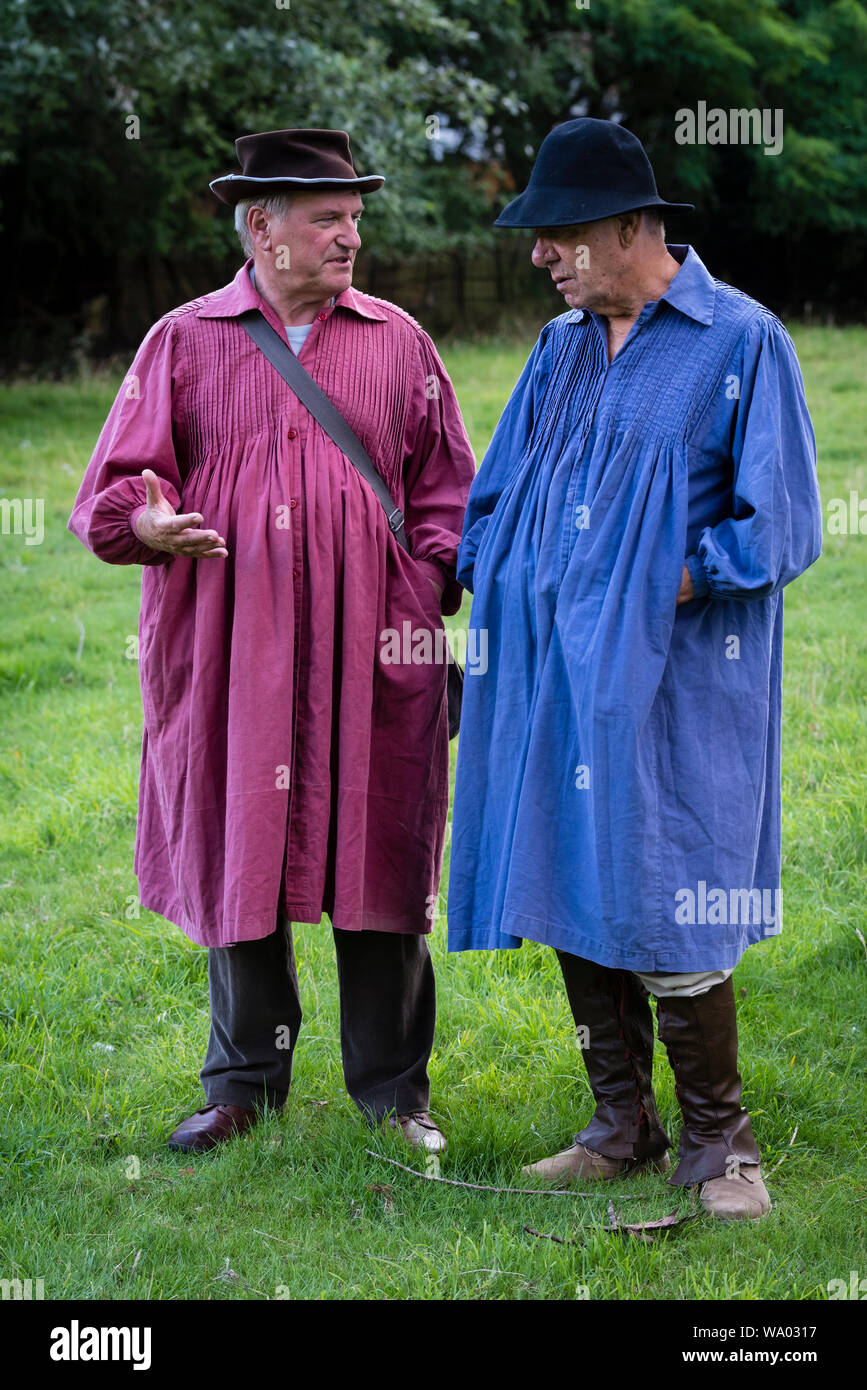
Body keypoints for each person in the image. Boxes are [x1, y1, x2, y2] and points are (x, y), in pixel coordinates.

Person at [69, 128, 475, 1155]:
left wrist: (423, 583)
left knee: (381, 846)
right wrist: (148, 523)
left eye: (354, 218)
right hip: (230, 647)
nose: (350, 237)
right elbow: (115, 489)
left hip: (377, 649)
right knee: (241, 840)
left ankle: (395, 1090)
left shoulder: (398, 342)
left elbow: (448, 490)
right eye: (326, 219)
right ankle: (244, 1082)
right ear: (262, 227)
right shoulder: (184, 341)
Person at [447, 118, 822, 1219]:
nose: (540, 256)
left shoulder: (740, 343)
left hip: (673, 682)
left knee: (669, 879)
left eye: (559, 235)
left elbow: (784, 524)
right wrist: (487, 568)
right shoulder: (558, 348)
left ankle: (722, 1142)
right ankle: (622, 1125)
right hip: (550, 670)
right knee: (573, 870)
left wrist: (666, 579)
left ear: (629, 228)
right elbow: (500, 489)